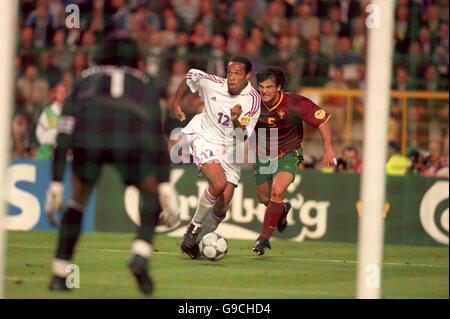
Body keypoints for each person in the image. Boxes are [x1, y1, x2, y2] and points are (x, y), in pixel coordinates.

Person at [45, 36, 178, 295]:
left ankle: (59, 274)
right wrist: (164, 184)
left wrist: (56, 181)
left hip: (89, 137)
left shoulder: (83, 79)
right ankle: (140, 254)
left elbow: (64, 133)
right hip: (129, 138)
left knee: (78, 199)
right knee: (150, 194)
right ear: (134, 59)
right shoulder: (144, 82)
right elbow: (156, 136)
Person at [169, 56, 261, 259]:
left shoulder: (252, 100)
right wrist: (175, 101)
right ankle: (192, 230)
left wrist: (236, 120)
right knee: (218, 183)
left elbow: (243, 135)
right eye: (229, 73)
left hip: (231, 149)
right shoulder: (212, 83)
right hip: (204, 137)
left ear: (247, 76)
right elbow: (190, 75)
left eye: (237, 74)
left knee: (221, 209)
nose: (232, 78)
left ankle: (194, 245)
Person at [252, 66, 336, 255]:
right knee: (265, 198)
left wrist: (329, 149)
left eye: (269, 87)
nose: (264, 91)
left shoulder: (296, 103)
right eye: (261, 87)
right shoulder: (253, 102)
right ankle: (282, 209)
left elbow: (322, 122)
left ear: (279, 87)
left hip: (288, 152)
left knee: (277, 191)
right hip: (264, 153)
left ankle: (263, 239)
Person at [34, 83, 67, 160]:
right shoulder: (47, 112)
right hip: (48, 153)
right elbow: (40, 134)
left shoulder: (71, 112)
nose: (62, 95)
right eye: (60, 92)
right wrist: (54, 136)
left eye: (64, 92)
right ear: (55, 94)